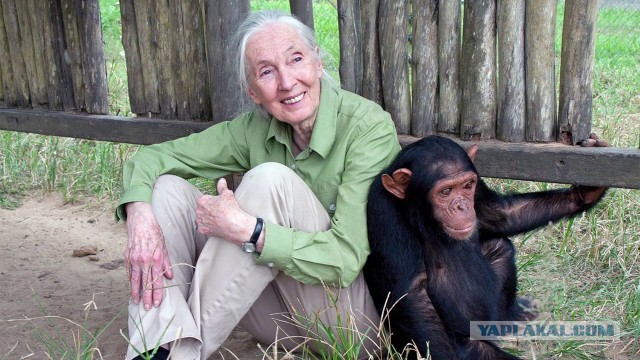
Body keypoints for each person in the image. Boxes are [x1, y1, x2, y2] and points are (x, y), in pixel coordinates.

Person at [116, 10, 401, 360]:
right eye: (267, 72)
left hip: (352, 325)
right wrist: (140, 213)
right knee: (164, 192)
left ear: (317, 61)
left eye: (296, 59)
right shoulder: (254, 129)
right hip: (281, 320)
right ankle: (157, 347)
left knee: (269, 181)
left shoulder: (368, 128)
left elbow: (344, 261)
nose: (286, 82)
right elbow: (152, 159)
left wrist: (250, 231)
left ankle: (173, 355)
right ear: (252, 92)